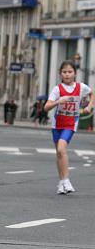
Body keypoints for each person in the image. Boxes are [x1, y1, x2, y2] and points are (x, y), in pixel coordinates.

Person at [44, 60, 94, 194]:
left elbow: (91, 93)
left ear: (75, 73)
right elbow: (46, 107)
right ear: (60, 74)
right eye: (64, 72)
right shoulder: (57, 89)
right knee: (59, 153)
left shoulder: (81, 87)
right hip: (57, 124)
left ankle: (66, 180)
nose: (67, 74)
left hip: (70, 123)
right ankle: (61, 183)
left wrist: (89, 106)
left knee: (61, 148)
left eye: (70, 72)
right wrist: (58, 101)